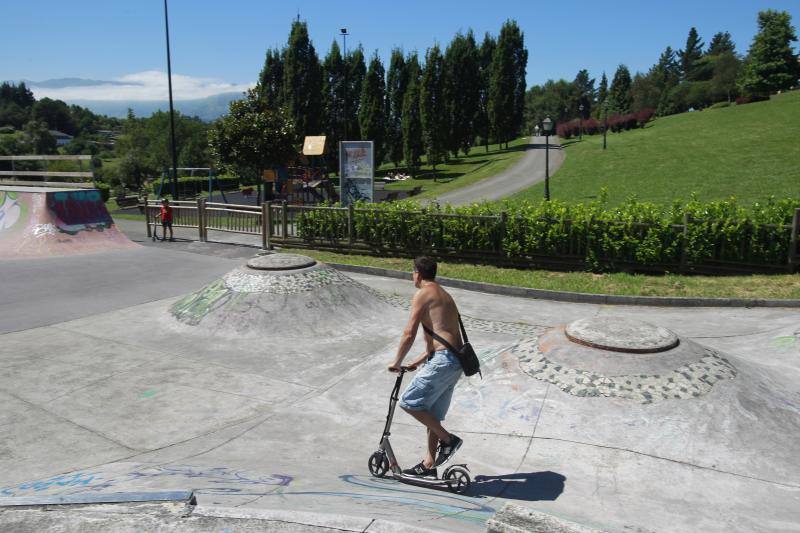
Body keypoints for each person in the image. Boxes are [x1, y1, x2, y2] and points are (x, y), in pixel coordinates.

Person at [388, 256, 464, 477]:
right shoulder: (444, 295)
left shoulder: (423, 294)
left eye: (412, 273)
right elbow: (438, 339)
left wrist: (397, 362)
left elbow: (408, 332)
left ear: (418, 274)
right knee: (431, 413)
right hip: (454, 361)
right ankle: (429, 465)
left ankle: (449, 440)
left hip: (445, 361)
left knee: (409, 402)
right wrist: (415, 363)